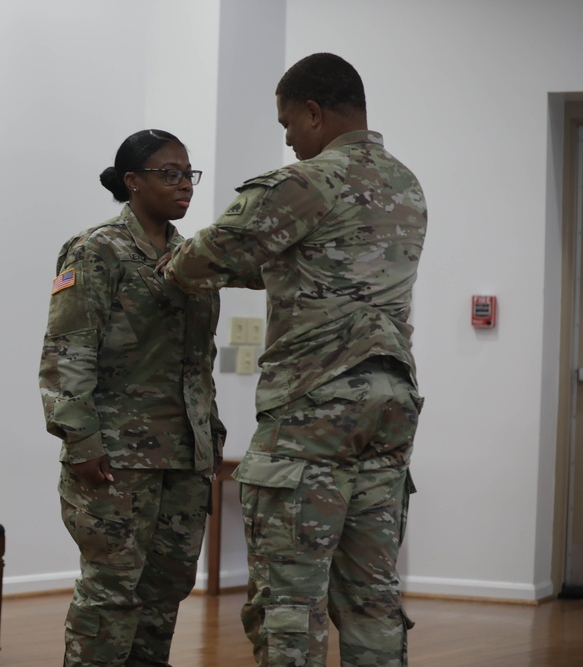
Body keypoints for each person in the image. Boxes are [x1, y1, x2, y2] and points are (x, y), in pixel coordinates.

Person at [161, 53, 427, 666]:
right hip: (390, 404)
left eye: (287, 123)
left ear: (313, 110)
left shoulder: (307, 182)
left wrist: (174, 267)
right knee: (371, 595)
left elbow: (202, 258)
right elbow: (328, 267)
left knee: (289, 599)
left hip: (315, 406)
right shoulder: (403, 182)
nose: (287, 138)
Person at [40, 129, 226, 666]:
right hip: (118, 456)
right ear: (132, 182)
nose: (182, 186)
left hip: (185, 453)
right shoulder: (97, 249)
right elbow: (67, 351)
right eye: (168, 174)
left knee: (165, 592)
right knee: (112, 592)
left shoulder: (192, 257)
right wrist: (80, 440)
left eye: (188, 174)